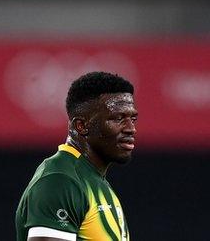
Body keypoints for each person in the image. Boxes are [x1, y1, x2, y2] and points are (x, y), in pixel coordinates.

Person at [15, 71, 138, 241]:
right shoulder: (60, 180)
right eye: (118, 118)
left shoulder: (93, 180)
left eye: (133, 118)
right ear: (81, 126)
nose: (131, 128)